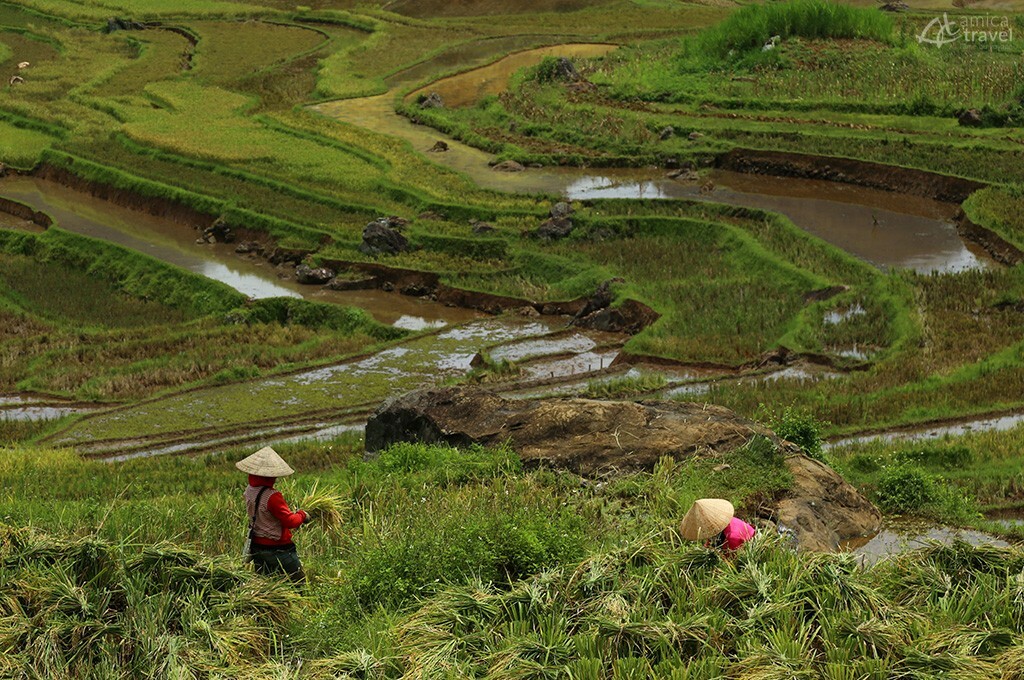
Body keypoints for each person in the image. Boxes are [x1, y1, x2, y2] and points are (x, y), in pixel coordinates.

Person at [236, 446, 310, 583]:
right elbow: (290, 521)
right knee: (299, 582)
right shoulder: (272, 496)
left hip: (257, 547)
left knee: (265, 583)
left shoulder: (249, 490)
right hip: (278, 549)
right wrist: (302, 515)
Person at [679, 498, 756, 553]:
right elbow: (711, 540)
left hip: (747, 545)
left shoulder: (732, 538)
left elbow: (731, 561)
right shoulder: (720, 524)